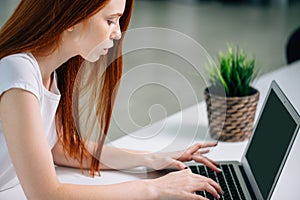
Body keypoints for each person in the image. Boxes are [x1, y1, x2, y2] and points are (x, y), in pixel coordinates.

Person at [0, 0, 223, 199]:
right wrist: (155, 189)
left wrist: (150, 159)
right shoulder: (18, 72)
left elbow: (59, 148)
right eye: (110, 21)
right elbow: (46, 195)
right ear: (71, 18)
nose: (117, 33)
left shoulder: (51, 71)